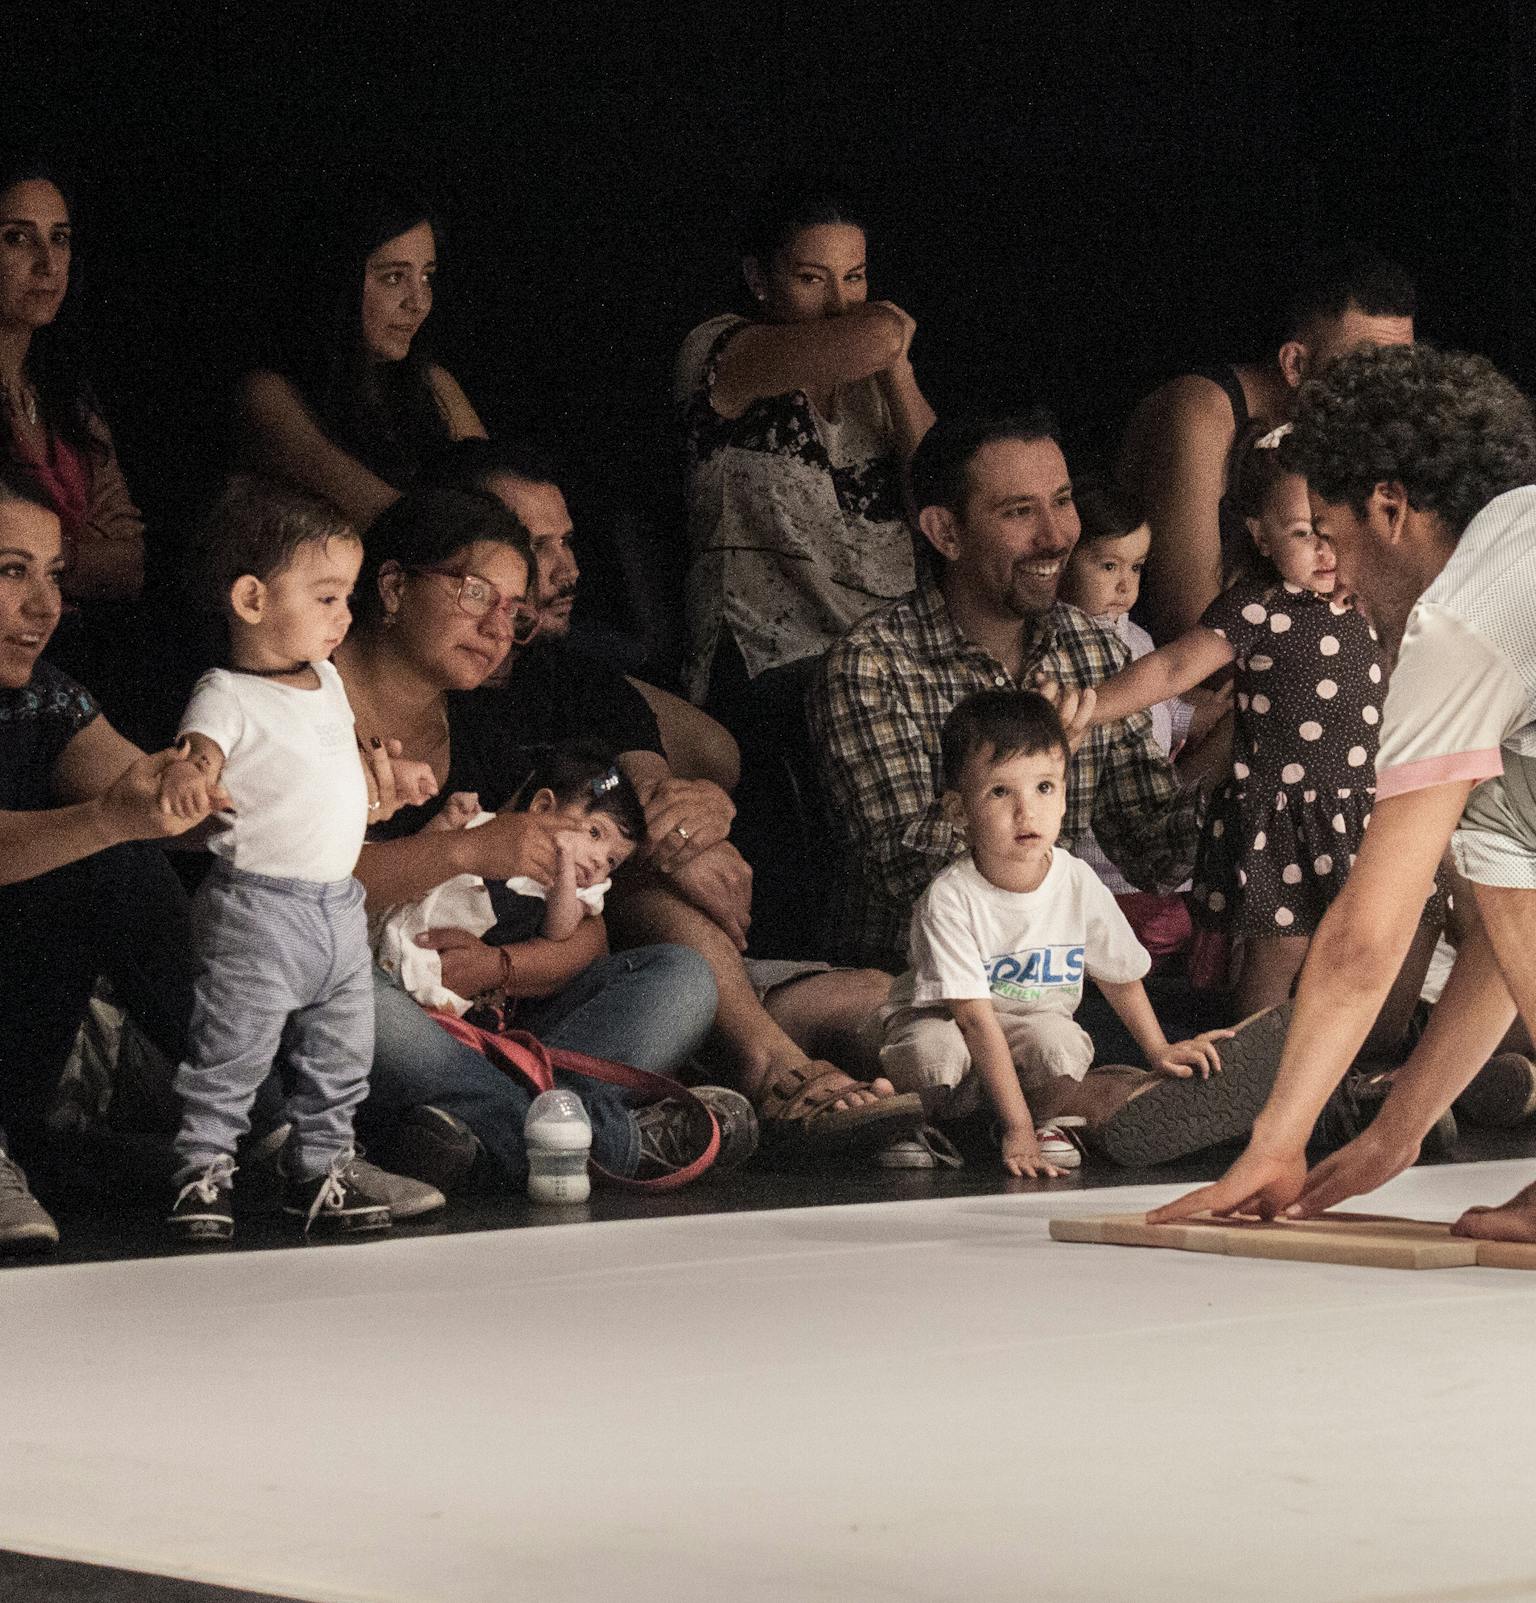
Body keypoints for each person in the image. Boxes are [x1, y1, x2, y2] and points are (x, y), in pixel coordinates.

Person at [425, 439, 927, 1160]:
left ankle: (519, 1123)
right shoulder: (436, 687)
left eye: (567, 542)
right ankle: (634, 1119)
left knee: (703, 961)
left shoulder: (574, 676)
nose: (567, 570)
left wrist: (695, 818)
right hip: (439, 982)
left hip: (558, 980)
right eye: (538, 548)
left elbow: (650, 798)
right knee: (637, 879)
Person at [1147, 344, 1536, 1241]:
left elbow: (1368, 932)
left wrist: (1275, 1141)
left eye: (1330, 533)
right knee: (1501, 841)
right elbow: (1510, 929)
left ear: (1390, 508)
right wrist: (1397, 1130)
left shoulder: (1461, 621)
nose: (1331, 569)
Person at [331, 485, 745, 1191]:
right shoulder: (304, 705)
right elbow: (294, 897)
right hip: (372, 996)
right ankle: (599, 1139)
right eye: (474, 593)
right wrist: (463, 851)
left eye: (514, 613)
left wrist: (498, 967)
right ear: (394, 586)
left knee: (680, 977)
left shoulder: (485, 733)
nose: (497, 628)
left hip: (485, 1027)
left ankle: (464, 1133)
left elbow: (588, 937)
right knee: (342, 992)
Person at [156, 477, 443, 1242]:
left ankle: (321, 1170)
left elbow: (334, 763)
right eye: (326, 597)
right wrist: (189, 775)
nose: (345, 614)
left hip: (337, 907)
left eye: (347, 595)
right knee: (231, 1052)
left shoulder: (329, 680)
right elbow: (199, 755)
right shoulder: (225, 693)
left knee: (343, 1055)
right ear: (251, 599)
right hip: (257, 908)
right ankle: (202, 1173)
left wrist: (391, 778)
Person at [810, 411, 1199, 975]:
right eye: (1019, 512)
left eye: (1062, 501)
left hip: (1051, 987)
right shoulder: (871, 664)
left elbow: (1156, 854)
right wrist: (1034, 761)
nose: (1056, 537)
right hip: (914, 988)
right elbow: (908, 872)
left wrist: (1250, 756)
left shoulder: (1091, 646)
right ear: (946, 533)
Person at [1079, 426, 1441, 1017]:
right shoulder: (1257, 607)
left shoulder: (1378, 599)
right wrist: (1089, 705)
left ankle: (1379, 1062)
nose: (1324, 550)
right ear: (1260, 536)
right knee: (1278, 961)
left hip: (1374, 810)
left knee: (1394, 943)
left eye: (1334, 530)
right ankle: (1251, 1068)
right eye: (1302, 534)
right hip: (1285, 821)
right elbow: (1172, 668)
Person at [875, 691, 1234, 1176]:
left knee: (1058, 1041)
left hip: (1023, 1027)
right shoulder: (951, 898)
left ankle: (1039, 1118)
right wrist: (1017, 1129)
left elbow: (1119, 976)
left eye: (1044, 787)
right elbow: (975, 1022)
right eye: (1000, 792)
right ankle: (917, 1118)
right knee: (935, 1052)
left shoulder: (1076, 881)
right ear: (959, 812)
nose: (1026, 812)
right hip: (951, 1025)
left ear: (1065, 795)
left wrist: (1159, 1050)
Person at [0, 468, 216, 1250]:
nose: (45, 606)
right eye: (11, 571)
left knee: (119, 863)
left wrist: (327, 787)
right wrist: (108, 818)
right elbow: (111, 813)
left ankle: (259, 1123)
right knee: (102, 842)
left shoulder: (43, 696)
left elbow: (157, 800)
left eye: (54, 575)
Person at [676, 184, 935, 720]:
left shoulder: (873, 379)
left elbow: (939, 499)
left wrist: (898, 372)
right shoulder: (723, 348)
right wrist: (886, 332)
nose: (840, 305)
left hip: (893, 650)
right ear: (759, 280)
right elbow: (874, 335)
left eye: (854, 277)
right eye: (812, 279)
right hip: (771, 654)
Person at [1116, 252, 1415, 640]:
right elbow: (1188, 624)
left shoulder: (1358, 421)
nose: (1388, 392)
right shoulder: (1202, 412)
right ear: (1295, 365)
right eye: (1363, 369)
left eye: (1401, 370)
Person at [234, 193, 485, 532]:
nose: (419, 303)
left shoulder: (434, 382)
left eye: (427, 277)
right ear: (337, 281)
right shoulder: (268, 395)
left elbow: (505, 496)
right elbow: (396, 522)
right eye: (394, 277)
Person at [0, 154, 145, 686]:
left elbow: (130, 564)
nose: (47, 263)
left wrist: (38, 559)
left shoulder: (68, 399)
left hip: (77, 650)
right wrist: (80, 556)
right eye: (18, 238)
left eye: (59, 239)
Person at [1058, 481, 1215, 959]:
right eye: (1108, 566)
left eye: (1136, 567)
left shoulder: (1140, 640)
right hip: (1098, 869)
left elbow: (1166, 713)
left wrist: (1218, 711)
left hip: (1154, 856)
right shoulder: (1058, 646)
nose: (1125, 584)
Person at [377, 743, 646, 1018]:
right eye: (595, 832)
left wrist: (564, 870)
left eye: (612, 861)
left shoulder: (574, 892)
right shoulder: (489, 830)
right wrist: (446, 822)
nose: (600, 860)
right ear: (542, 807)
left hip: (442, 991)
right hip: (387, 937)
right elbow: (422, 861)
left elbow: (559, 929)